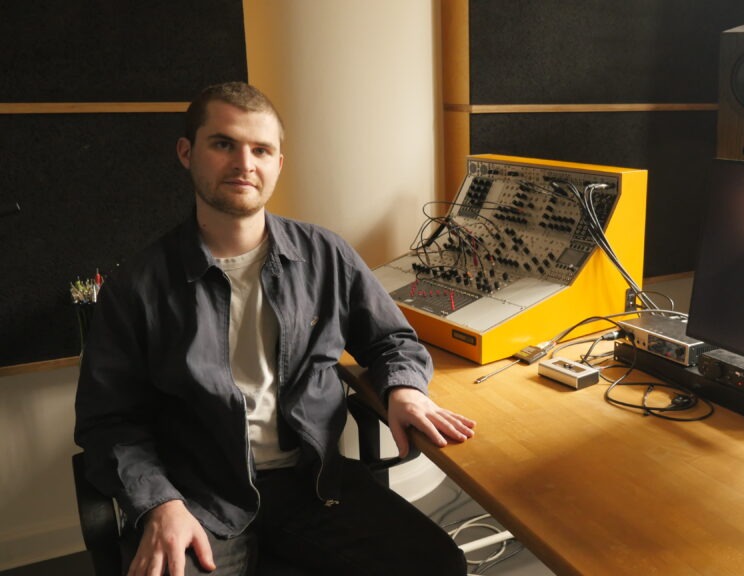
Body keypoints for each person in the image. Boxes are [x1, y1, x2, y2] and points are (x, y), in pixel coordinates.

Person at [75, 82, 476, 576]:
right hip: (200, 496)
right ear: (187, 152)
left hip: (315, 487)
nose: (245, 163)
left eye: (261, 149)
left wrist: (405, 390)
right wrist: (159, 504)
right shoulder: (136, 286)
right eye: (224, 144)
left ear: (278, 164)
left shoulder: (326, 255)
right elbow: (108, 422)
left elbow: (391, 340)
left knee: (438, 566)